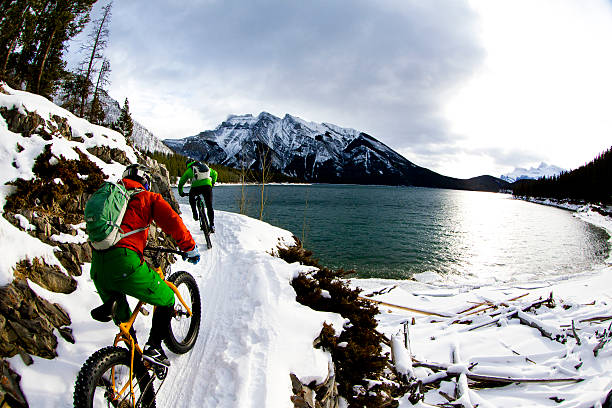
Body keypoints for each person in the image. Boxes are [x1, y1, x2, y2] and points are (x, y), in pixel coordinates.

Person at [90, 163, 200, 367]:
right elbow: (172, 221)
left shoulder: (112, 200)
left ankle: (133, 360)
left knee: (124, 321)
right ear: (145, 183)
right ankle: (155, 348)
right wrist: (189, 247)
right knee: (166, 297)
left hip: (98, 267)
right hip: (125, 263)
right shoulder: (146, 198)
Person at [178, 159, 218, 233]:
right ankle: (212, 225)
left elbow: (181, 183)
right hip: (207, 187)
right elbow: (215, 173)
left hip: (196, 188)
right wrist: (212, 183)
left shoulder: (190, 170)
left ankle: (195, 214)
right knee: (209, 206)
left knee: (191, 197)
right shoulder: (205, 166)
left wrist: (181, 193)